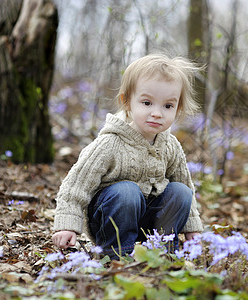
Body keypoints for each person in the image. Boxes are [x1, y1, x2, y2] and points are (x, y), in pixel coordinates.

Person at [52, 53, 204, 258]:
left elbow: (185, 183)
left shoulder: (170, 145)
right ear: (127, 102)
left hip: (148, 220)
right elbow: (76, 186)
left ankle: (162, 251)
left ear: (177, 109)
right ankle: (116, 254)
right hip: (111, 219)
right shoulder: (110, 143)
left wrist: (192, 228)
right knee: (127, 191)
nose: (157, 113)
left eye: (168, 106)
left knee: (181, 191)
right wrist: (67, 225)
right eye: (147, 103)